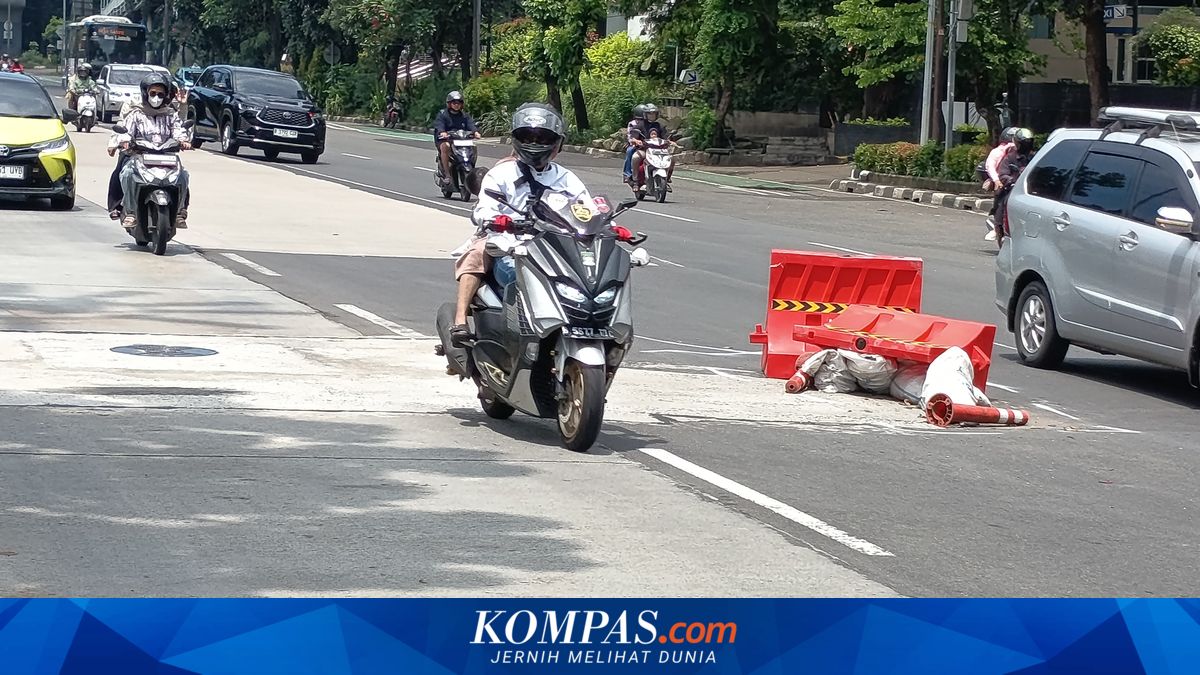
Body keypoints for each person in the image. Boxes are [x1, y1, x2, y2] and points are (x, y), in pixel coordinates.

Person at [448, 103, 635, 348]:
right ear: (516, 139)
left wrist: (608, 226)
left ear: (556, 143)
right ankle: (460, 320)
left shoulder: (566, 178)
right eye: (528, 136)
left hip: (557, 245)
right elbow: (484, 209)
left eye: (543, 137)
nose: (535, 143)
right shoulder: (501, 174)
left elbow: (586, 209)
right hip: (508, 242)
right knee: (476, 255)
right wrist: (497, 220)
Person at [115, 73, 193, 231]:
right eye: (153, 93)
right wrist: (124, 141)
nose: (156, 97)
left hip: (166, 157)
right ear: (145, 93)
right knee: (126, 174)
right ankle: (130, 212)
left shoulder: (170, 115)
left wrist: (184, 141)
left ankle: (179, 212)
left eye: (160, 94)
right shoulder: (136, 113)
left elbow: (178, 130)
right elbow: (126, 130)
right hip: (139, 156)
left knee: (183, 176)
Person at [984, 127, 1033, 241]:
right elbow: (1002, 173)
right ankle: (999, 227)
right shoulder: (1009, 156)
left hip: (1030, 190)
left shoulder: (1034, 157)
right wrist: (1009, 180)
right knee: (1002, 201)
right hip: (1011, 188)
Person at [434, 91, 481, 179]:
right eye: (454, 103)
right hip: (446, 139)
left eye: (459, 103)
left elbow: (471, 124)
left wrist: (475, 132)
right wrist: (442, 132)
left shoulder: (464, 115)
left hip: (461, 140)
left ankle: (471, 167)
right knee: (445, 146)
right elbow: (439, 125)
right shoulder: (443, 114)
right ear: (449, 104)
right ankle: (447, 174)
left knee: (473, 146)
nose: (456, 105)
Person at [627, 103, 666, 191]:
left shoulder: (660, 125)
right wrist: (636, 140)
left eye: (653, 113)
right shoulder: (640, 125)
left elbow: (666, 137)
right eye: (649, 113)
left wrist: (671, 142)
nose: (652, 115)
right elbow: (633, 136)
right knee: (635, 157)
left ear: (657, 114)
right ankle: (636, 181)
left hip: (659, 151)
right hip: (644, 150)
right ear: (645, 114)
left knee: (672, 159)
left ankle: (667, 179)